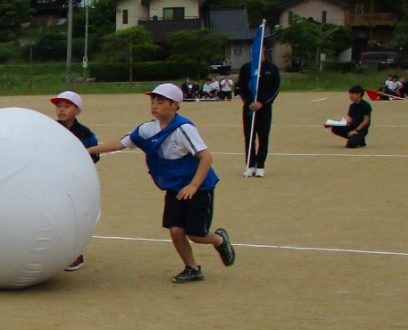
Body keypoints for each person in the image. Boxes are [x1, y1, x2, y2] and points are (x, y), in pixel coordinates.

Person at [86, 83, 237, 283]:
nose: (154, 105)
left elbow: (206, 158)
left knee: (197, 234)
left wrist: (193, 185)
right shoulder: (147, 129)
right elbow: (118, 144)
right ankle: (192, 268)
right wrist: (87, 151)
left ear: (175, 105)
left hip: (199, 187)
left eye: (161, 101)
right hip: (174, 188)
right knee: (175, 230)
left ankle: (219, 240)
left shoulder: (184, 129)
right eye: (152, 101)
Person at [49, 91, 99, 271]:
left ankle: (75, 255)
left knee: (74, 218)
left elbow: (94, 156)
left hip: (74, 183)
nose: (61, 110)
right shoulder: (49, 128)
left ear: (77, 110)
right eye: (58, 106)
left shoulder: (85, 134)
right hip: (52, 181)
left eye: (66, 106)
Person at [236, 47, 280, 178]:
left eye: (259, 52)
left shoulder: (271, 69)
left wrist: (262, 102)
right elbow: (241, 87)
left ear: (264, 52)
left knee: (263, 137)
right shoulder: (246, 68)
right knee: (249, 137)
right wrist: (248, 102)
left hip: (264, 108)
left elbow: (275, 89)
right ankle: (250, 165)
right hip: (249, 108)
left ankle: (260, 165)